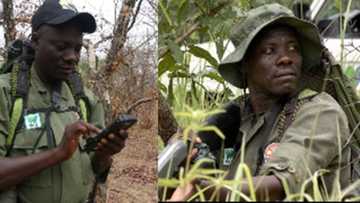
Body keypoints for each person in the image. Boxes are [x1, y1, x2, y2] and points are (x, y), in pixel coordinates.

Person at [169, 3, 351, 201]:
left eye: (293, 48)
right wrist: (180, 152)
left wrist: (200, 188)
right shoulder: (236, 115)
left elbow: (278, 185)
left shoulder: (321, 111)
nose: (285, 58)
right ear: (245, 64)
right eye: (269, 51)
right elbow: (192, 148)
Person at [0, 0, 128, 202]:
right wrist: (58, 153)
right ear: (35, 41)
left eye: (77, 49)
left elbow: (95, 169)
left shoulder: (85, 100)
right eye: (61, 47)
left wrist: (105, 154)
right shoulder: (7, 93)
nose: (72, 57)